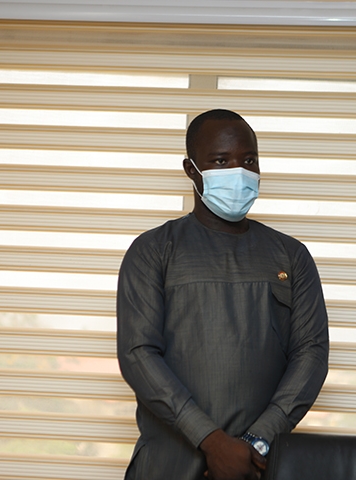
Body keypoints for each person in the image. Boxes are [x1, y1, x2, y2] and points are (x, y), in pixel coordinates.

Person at [117, 109, 329, 480]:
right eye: (220, 161)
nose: (238, 172)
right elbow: (138, 354)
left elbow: (310, 354)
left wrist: (256, 442)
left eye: (249, 161)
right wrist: (212, 441)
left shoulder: (291, 256)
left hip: (258, 466)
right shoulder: (153, 251)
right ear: (191, 170)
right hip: (168, 466)